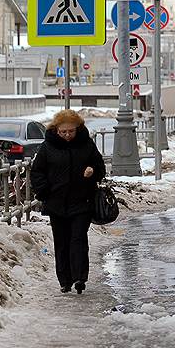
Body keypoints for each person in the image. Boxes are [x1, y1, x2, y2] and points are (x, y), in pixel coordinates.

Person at [30, 110, 106, 295]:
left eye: (71, 131)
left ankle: (80, 277)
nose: (67, 135)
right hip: (56, 203)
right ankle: (65, 280)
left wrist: (92, 171)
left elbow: (100, 168)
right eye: (63, 132)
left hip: (82, 201)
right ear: (56, 130)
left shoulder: (86, 144)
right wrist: (45, 191)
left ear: (77, 129)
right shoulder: (47, 147)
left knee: (78, 238)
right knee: (61, 241)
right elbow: (37, 172)